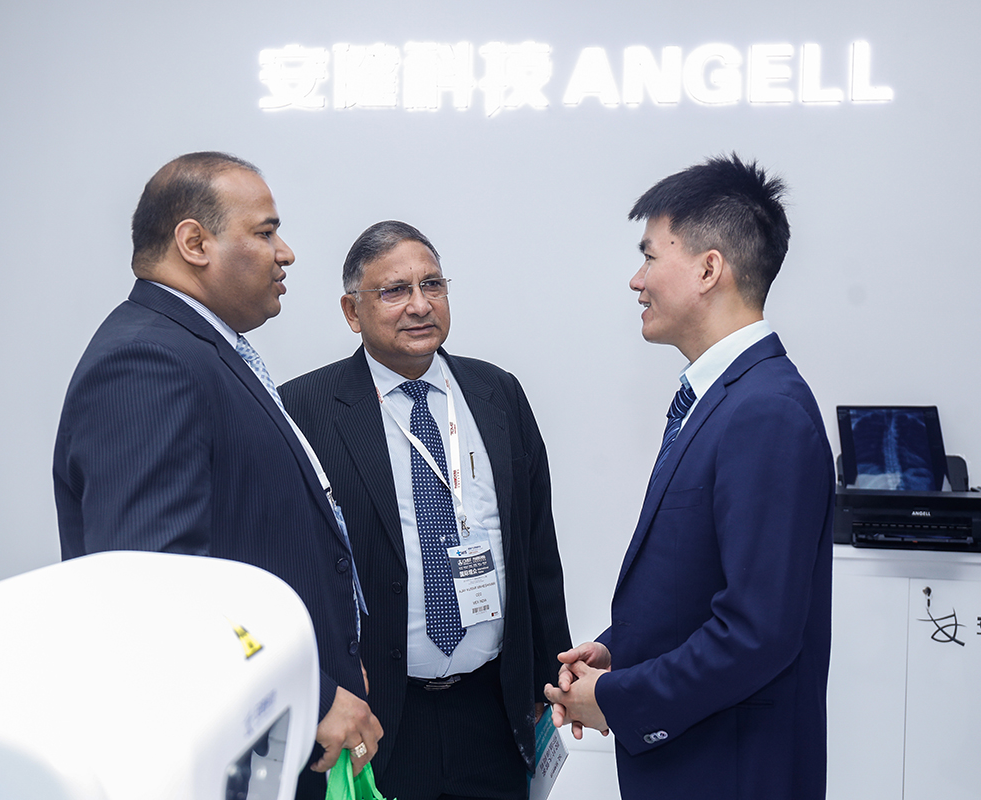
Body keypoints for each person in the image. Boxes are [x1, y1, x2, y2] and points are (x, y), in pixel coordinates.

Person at [52, 151, 382, 799]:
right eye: (265, 232)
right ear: (194, 243)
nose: (286, 253)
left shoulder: (198, 349)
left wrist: (332, 659)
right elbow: (154, 587)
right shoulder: (146, 361)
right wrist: (312, 694)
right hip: (238, 749)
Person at [545, 154, 835, 799]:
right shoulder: (726, 398)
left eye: (650, 256)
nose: (636, 280)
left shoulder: (765, 412)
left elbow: (756, 633)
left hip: (730, 772)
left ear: (709, 269)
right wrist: (619, 652)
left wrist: (618, 698)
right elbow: (696, 586)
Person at [279, 221, 571, 800]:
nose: (419, 305)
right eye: (394, 290)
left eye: (432, 284)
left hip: (491, 708)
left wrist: (549, 676)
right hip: (376, 715)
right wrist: (319, 692)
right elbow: (289, 568)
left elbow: (537, 546)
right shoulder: (304, 410)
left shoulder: (497, 393)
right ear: (352, 311)